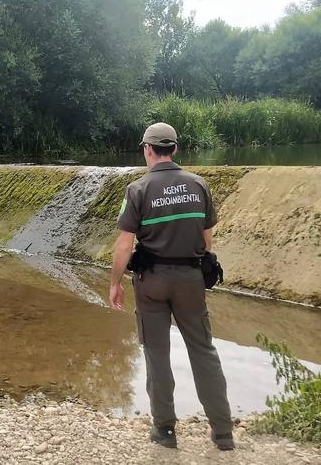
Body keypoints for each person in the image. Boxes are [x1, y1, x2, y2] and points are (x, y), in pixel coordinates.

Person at [108, 123, 234, 451]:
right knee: (204, 351)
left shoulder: (138, 189)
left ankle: (164, 430)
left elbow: (124, 245)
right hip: (190, 279)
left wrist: (115, 283)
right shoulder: (199, 185)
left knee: (157, 354)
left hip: (151, 280)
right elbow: (208, 240)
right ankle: (223, 432)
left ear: (148, 149)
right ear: (175, 149)